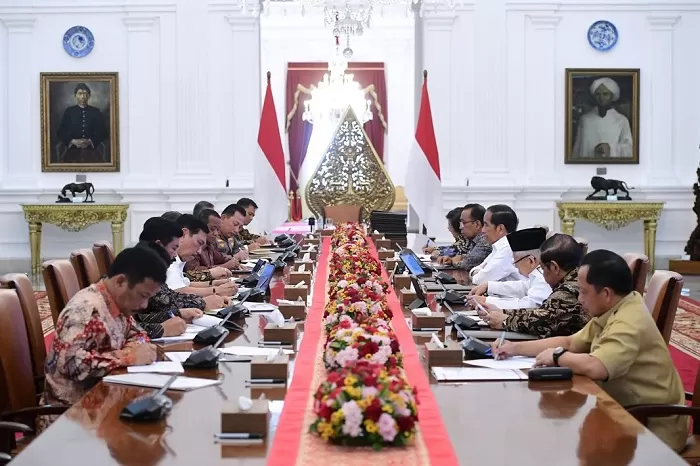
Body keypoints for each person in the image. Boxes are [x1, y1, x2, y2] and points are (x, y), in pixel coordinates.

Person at [492, 250, 688, 452]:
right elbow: (570, 342)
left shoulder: (629, 321)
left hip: (651, 426)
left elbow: (598, 367)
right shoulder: (617, 306)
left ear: (605, 293)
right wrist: (514, 348)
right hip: (622, 410)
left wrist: (558, 357)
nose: (579, 299)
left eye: (584, 292)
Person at [42, 246, 164, 410]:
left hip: (106, 401)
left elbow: (139, 335)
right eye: (143, 296)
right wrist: (129, 357)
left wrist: (134, 349)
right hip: (70, 414)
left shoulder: (118, 304)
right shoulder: (85, 311)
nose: (144, 305)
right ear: (120, 281)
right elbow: (71, 364)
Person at [477, 234, 589, 338]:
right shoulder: (576, 276)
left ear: (554, 267)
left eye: (543, 268)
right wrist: (504, 312)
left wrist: (505, 321)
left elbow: (542, 320)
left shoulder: (568, 290)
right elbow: (542, 311)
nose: (541, 272)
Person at [136, 218, 228, 338]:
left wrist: (177, 313)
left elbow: (140, 318)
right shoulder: (140, 265)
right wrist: (161, 329)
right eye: (174, 248)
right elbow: (163, 302)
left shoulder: (149, 262)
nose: (175, 255)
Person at [470, 227, 552, 309]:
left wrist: (487, 301)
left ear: (531, 261)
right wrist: (488, 286)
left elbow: (530, 305)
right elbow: (524, 287)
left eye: (516, 261)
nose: (515, 266)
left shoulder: (544, 276)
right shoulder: (537, 274)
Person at [162, 214, 236, 297]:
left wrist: (214, 284)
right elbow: (178, 291)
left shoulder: (179, 259)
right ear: (184, 234)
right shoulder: (168, 257)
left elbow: (185, 284)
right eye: (199, 243)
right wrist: (216, 290)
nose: (199, 251)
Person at [572, 77, 633, 159]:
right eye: (598, 94)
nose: (601, 98)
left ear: (612, 96)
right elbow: (577, 150)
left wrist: (611, 149)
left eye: (605, 94)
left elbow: (629, 150)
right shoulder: (585, 120)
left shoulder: (622, 120)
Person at [469, 204, 521, 285]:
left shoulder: (507, 250)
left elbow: (480, 280)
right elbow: (479, 268)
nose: (482, 230)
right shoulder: (500, 246)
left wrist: (475, 273)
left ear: (500, 229)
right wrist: (477, 272)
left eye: (486, 225)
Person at [55, 83, 107, 163]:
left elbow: (103, 132)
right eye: (80, 94)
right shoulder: (69, 111)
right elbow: (61, 132)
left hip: (92, 150)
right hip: (72, 150)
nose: (83, 97)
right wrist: (73, 141)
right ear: (75, 95)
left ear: (89, 96)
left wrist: (90, 141)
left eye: (85, 94)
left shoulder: (96, 112)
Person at [438, 203, 492, 272]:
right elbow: (467, 257)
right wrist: (456, 258)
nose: (460, 227)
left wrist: (452, 261)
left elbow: (467, 263)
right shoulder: (475, 241)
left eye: (464, 223)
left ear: (477, 224)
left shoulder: (485, 241)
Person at [185, 209, 240, 273]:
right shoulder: (194, 246)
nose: (216, 233)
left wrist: (234, 262)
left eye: (218, 229)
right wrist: (224, 266)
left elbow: (222, 259)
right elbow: (193, 272)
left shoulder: (209, 244)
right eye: (212, 229)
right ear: (202, 227)